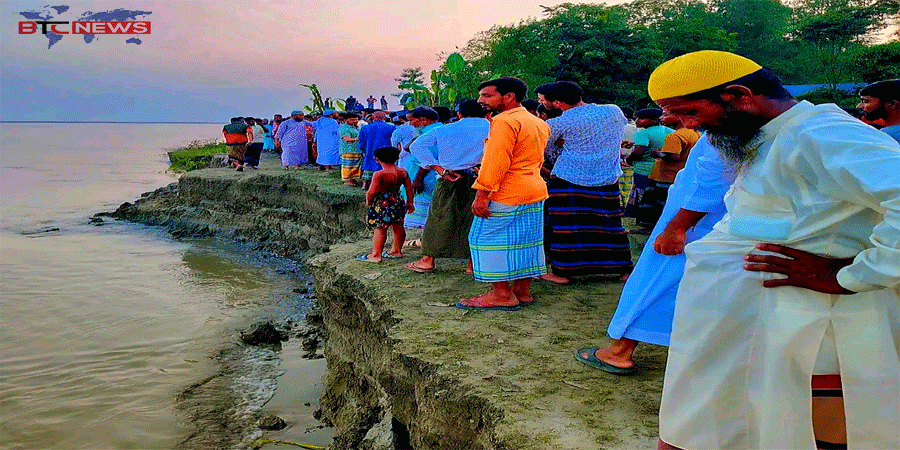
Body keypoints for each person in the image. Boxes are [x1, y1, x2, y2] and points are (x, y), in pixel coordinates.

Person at [646, 50, 900, 450]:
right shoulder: (770, 134)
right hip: (745, 322)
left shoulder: (821, 133)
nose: (689, 126)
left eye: (689, 112)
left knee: (799, 430)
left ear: (739, 95)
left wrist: (854, 274)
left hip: (805, 323)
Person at [575, 134, 735, 374]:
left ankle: (621, 350)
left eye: (684, 110)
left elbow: (712, 182)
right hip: (724, 221)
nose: (673, 118)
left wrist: (677, 226)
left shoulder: (726, 133)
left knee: (657, 279)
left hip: (694, 221)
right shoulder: (777, 127)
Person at [456, 77, 550, 311]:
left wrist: (481, 194)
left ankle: (502, 294)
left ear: (508, 97)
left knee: (485, 239)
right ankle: (522, 290)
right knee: (525, 241)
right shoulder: (537, 121)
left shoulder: (503, 122)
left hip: (506, 191)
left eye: (487, 95)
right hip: (533, 188)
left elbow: (496, 162)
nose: (481, 100)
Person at [534, 81, 633, 284]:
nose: (541, 102)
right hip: (607, 177)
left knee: (568, 227)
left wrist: (564, 143)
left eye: (543, 99)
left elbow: (546, 147)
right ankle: (623, 270)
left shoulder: (558, 124)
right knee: (611, 224)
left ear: (558, 103)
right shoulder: (613, 111)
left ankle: (563, 273)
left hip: (569, 178)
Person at [403, 100, 489, 274]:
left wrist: (438, 168)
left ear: (459, 114)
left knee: (439, 217)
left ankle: (428, 260)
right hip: (482, 178)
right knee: (475, 220)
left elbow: (416, 146)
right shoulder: (492, 127)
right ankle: (472, 264)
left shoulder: (445, 129)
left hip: (449, 176)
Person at [638, 115, 701, 225]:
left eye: (666, 115)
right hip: (678, 175)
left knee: (658, 206)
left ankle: (652, 230)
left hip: (665, 177)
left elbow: (673, 157)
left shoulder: (675, 136)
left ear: (678, 117)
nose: (661, 118)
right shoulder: (695, 133)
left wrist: (657, 153)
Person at [356, 146, 415, 263]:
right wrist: (410, 202)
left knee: (380, 228)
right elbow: (409, 188)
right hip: (397, 200)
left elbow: (372, 191)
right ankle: (397, 251)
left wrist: (368, 201)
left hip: (382, 203)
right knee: (398, 225)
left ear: (377, 159)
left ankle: (376, 254)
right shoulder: (402, 172)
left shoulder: (379, 174)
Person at [625, 108, 674, 232]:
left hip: (643, 170)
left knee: (644, 197)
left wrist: (629, 159)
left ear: (653, 120)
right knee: (659, 198)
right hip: (662, 170)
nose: (636, 121)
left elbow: (639, 152)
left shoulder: (643, 133)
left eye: (641, 118)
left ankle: (645, 224)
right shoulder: (671, 132)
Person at [402, 107, 442, 229]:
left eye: (412, 120)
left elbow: (428, 159)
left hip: (426, 177)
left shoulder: (432, 132)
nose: (410, 124)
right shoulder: (429, 131)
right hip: (423, 174)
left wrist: (418, 178)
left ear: (423, 119)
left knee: (423, 206)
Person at [358, 111, 396, 189]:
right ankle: (383, 184)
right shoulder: (391, 127)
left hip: (370, 150)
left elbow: (361, 142)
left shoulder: (365, 128)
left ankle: (365, 184)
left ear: (373, 117)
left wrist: (364, 150)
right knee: (384, 166)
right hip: (386, 151)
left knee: (368, 165)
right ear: (384, 118)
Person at [338, 113, 362, 185]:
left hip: (356, 150)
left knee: (355, 166)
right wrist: (358, 139)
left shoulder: (356, 127)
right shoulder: (344, 128)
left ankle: (353, 179)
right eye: (352, 120)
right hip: (348, 150)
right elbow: (346, 138)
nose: (354, 121)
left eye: (356, 119)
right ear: (345, 120)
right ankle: (347, 180)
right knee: (348, 166)